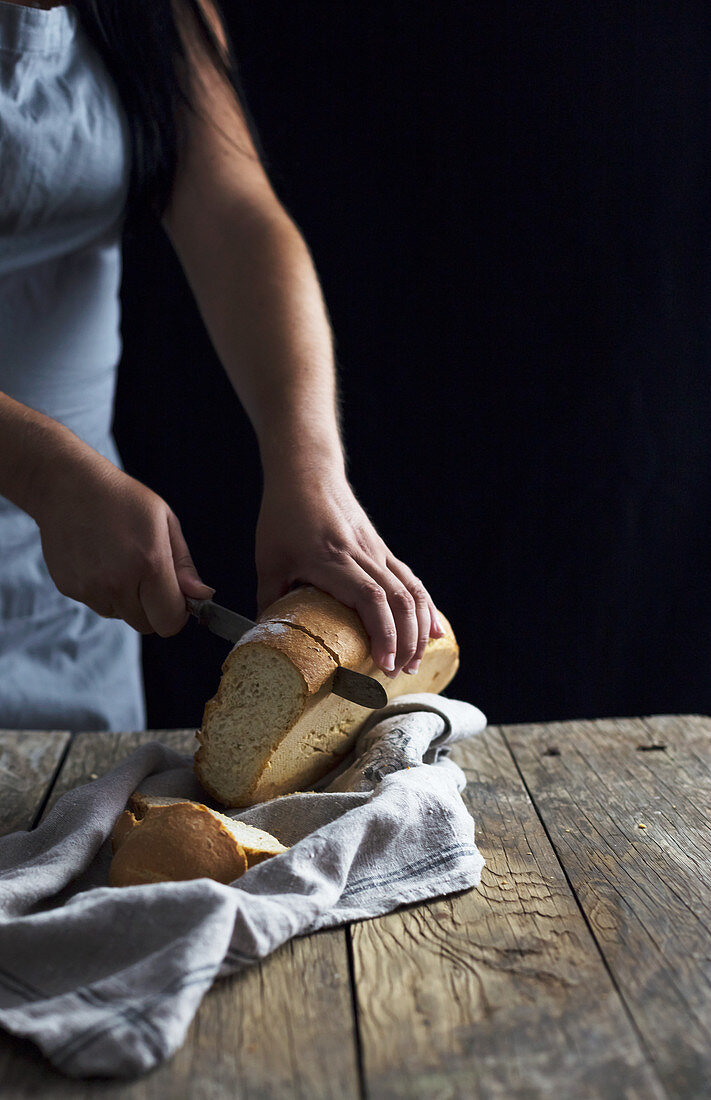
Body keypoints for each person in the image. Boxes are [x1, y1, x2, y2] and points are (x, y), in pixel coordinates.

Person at [0, 0, 445, 732]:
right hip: (65, 496)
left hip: (68, 600)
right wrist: (41, 472)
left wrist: (310, 471)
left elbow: (234, 217)